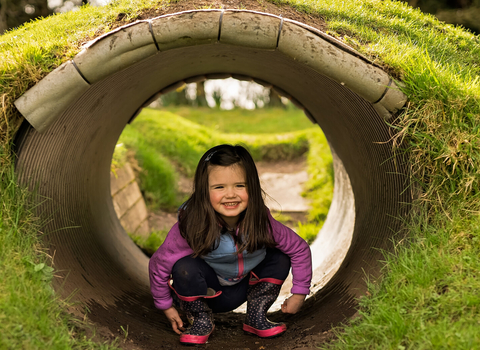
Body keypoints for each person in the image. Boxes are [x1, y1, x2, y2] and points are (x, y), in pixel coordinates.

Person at [149, 144, 312, 345]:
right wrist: (166, 306)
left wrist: (299, 293)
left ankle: (256, 316)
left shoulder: (261, 222)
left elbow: (299, 249)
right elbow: (159, 264)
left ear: (252, 187)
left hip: (245, 288)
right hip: (207, 292)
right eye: (219, 187)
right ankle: (201, 320)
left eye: (240, 185)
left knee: (279, 257)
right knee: (183, 268)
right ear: (204, 191)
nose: (230, 194)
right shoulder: (193, 225)